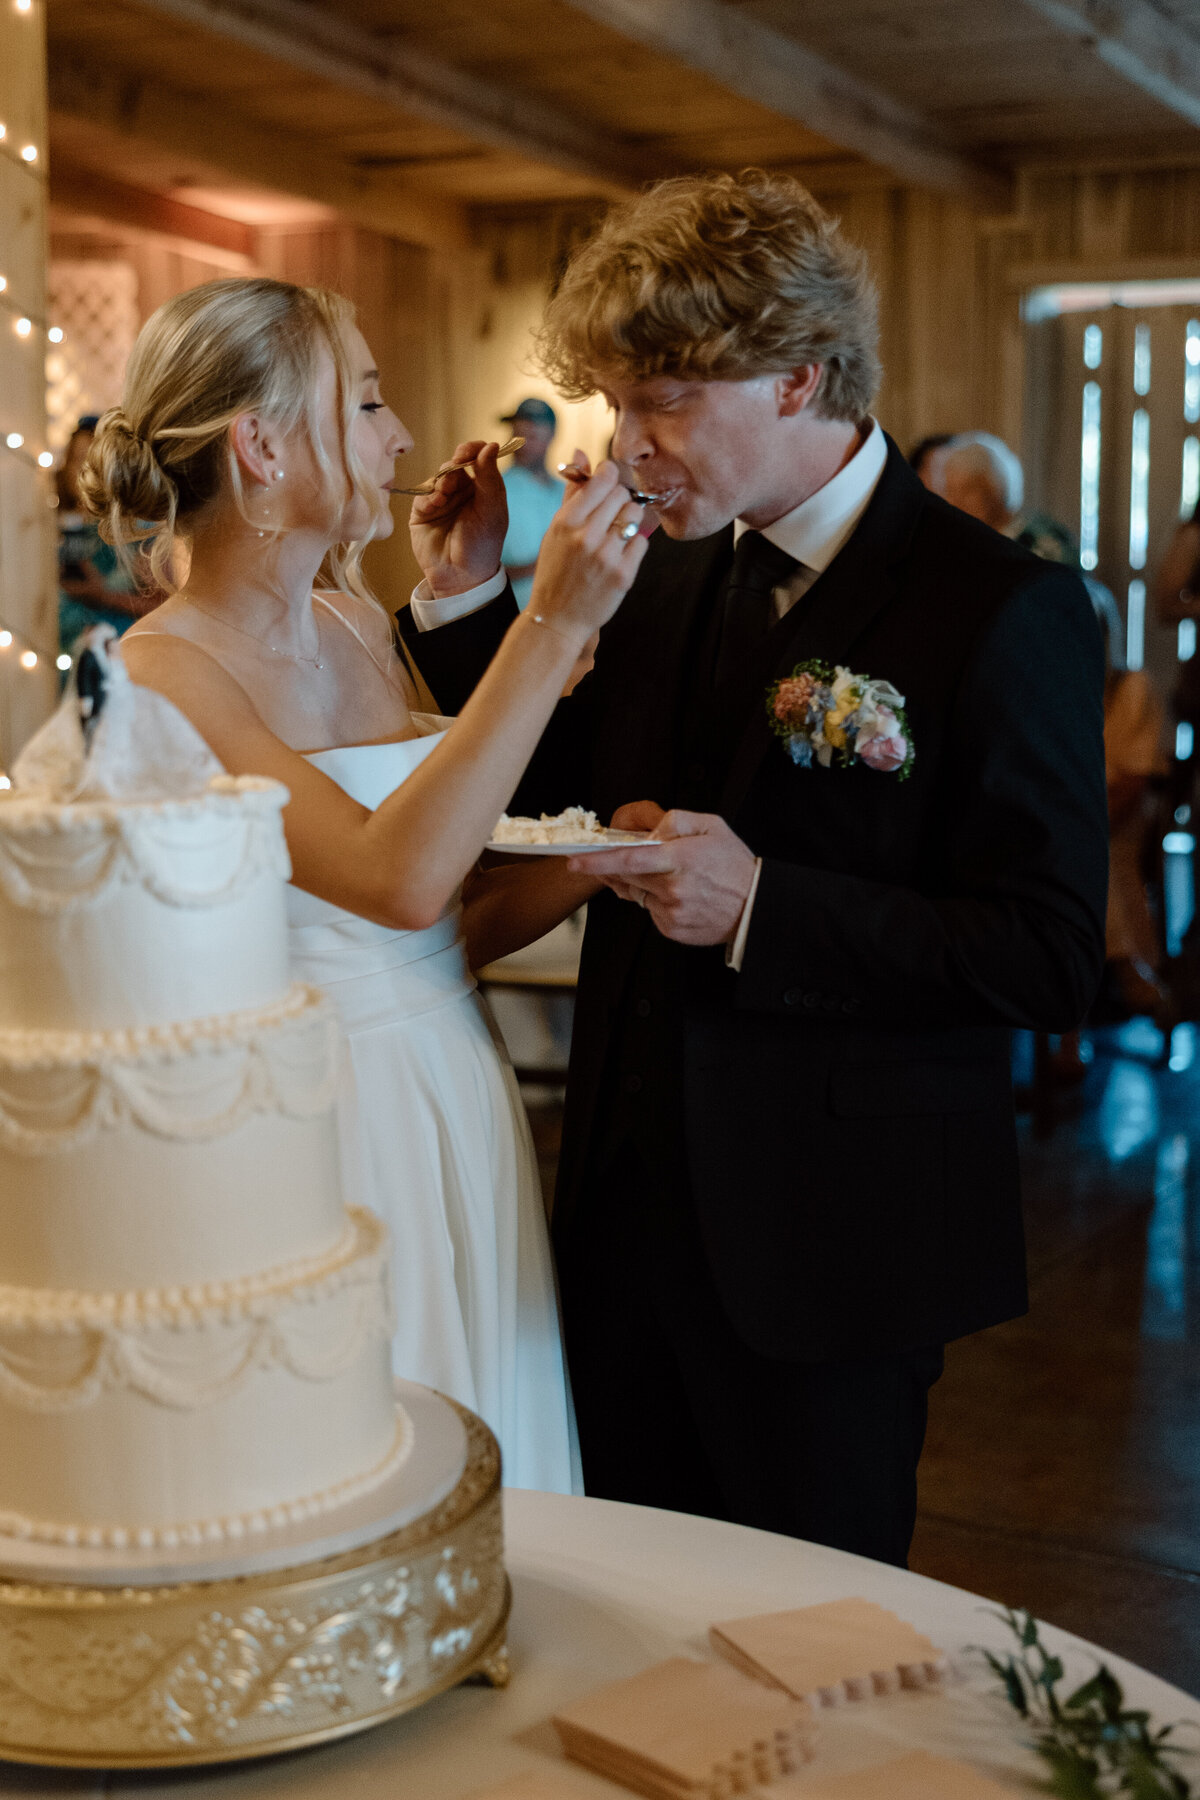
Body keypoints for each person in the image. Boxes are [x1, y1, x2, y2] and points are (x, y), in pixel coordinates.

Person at [399, 170, 1108, 1567]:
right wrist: (471, 601)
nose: (630, 448)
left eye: (662, 402)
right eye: (617, 404)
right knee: (618, 1617)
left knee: (807, 1644)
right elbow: (549, 790)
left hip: (835, 1248)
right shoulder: (675, 571)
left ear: (795, 377)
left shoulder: (1001, 607)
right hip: (616, 1216)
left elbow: (1045, 951)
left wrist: (766, 909)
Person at [84, 276, 648, 1494]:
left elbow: (439, 928)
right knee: (369, 1465)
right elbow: (391, 880)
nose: (401, 439)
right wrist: (547, 630)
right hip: (322, 1121)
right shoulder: (165, 675)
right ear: (263, 445)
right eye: (370, 400)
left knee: (493, 1446)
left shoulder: (353, 628)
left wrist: (603, 859)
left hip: (453, 1073)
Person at [57, 417, 147, 655]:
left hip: (116, 652)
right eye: (77, 460)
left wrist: (103, 594)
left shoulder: (135, 528)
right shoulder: (53, 526)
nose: (82, 471)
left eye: (92, 461)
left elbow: (161, 603)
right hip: (61, 654)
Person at [932, 432, 1079, 564]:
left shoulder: (1039, 540)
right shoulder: (964, 541)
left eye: (967, 491)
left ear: (997, 490)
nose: (955, 502)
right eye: (950, 492)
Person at [498, 397, 566, 609]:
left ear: (551, 436)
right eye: (518, 435)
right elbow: (474, 575)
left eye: (533, 435)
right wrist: (542, 566)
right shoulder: (496, 492)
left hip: (567, 617)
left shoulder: (567, 491)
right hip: (515, 619)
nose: (523, 443)